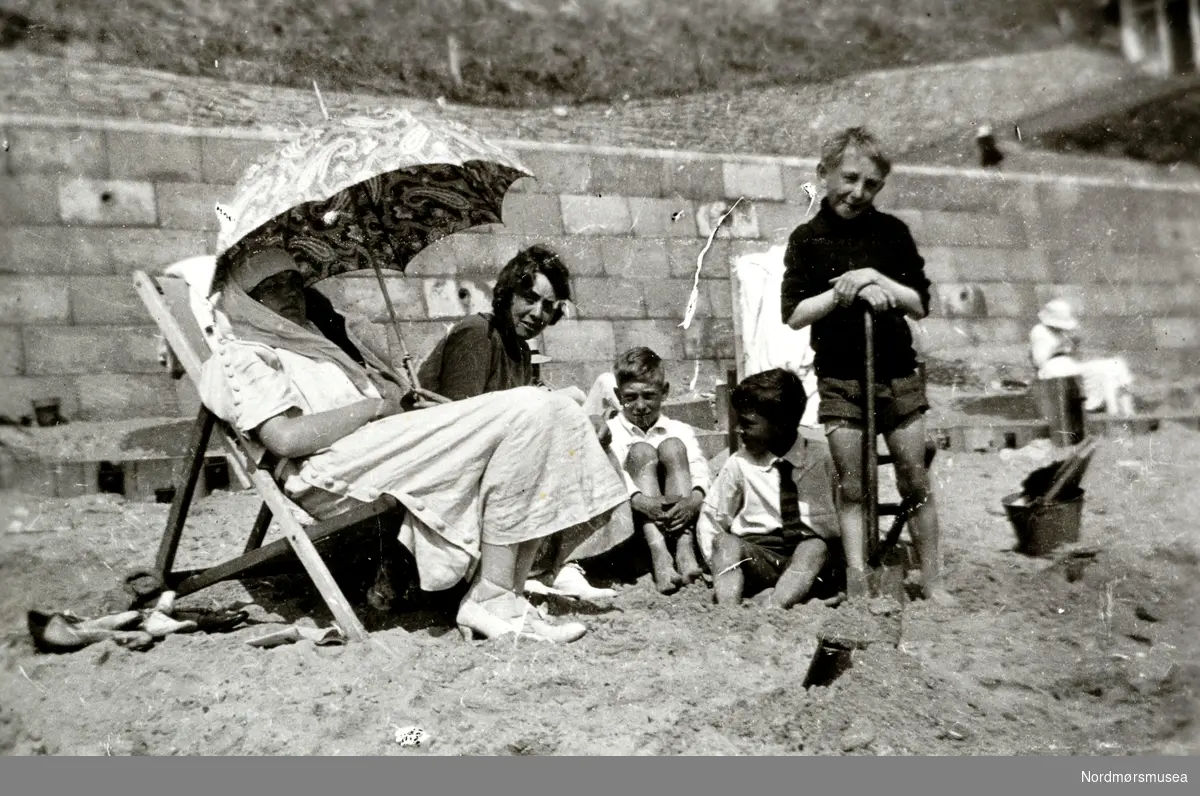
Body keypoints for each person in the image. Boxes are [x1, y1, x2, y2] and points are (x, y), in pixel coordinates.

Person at [197, 246, 632, 643]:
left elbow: (385, 404)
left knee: (552, 410)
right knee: (533, 408)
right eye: (271, 288)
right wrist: (372, 408)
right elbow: (284, 437)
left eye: (294, 283)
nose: (289, 294)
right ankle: (492, 598)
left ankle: (505, 594)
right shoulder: (241, 356)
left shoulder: (317, 347)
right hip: (334, 470)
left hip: (374, 453)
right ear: (246, 300)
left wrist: (387, 389)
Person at [780, 126, 955, 606]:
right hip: (840, 380)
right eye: (850, 178)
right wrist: (844, 294)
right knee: (853, 486)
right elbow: (794, 314)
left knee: (914, 479)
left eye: (872, 184)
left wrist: (874, 276)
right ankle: (858, 581)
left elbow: (918, 303)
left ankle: (934, 583)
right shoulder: (807, 239)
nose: (858, 193)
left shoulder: (892, 234)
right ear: (823, 175)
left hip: (897, 375)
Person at [417, 245, 623, 601]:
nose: (536, 313)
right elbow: (461, 425)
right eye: (529, 298)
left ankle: (550, 566)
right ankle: (539, 568)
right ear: (507, 292)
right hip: (450, 466)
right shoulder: (476, 334)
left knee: (595, 447)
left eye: (547, 306)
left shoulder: (520, 350)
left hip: (496, 462)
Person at [698, 369, 840, 608]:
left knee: (814, 547)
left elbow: (846, 512)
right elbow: (712, 518)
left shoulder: (822, 458)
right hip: (759, 556)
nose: (738, 430)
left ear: (781, 425)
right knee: (725, 543)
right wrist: (716, 566)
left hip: (809, 563)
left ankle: (774, 606)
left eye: (748, 424)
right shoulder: (739, 463)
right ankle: (728, 609)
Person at [604, 347, 710, 594]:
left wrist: (694, 500)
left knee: (673, 446)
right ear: (619, 395)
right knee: (640, 451)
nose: (640, 406)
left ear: (665, 392)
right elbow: (613, 475)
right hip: (637, 530)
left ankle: (685, 550)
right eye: (631, 397)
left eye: (649, 396)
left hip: (678, 521)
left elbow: (699, 467)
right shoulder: (612, 432)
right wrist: (638, 499)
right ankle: (660, 555)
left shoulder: (680, 429)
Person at [1029, 299, 1135, 417]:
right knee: (1103, 372)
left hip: (1071, 365)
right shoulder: (1040, 331)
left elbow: (1075, 357)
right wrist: (1060, 345)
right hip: (1053, 370)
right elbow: (1039, 361)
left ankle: (1126, 410)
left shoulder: (1065, 332)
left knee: (1115, 365)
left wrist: (1073, 346)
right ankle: (1113, 411)